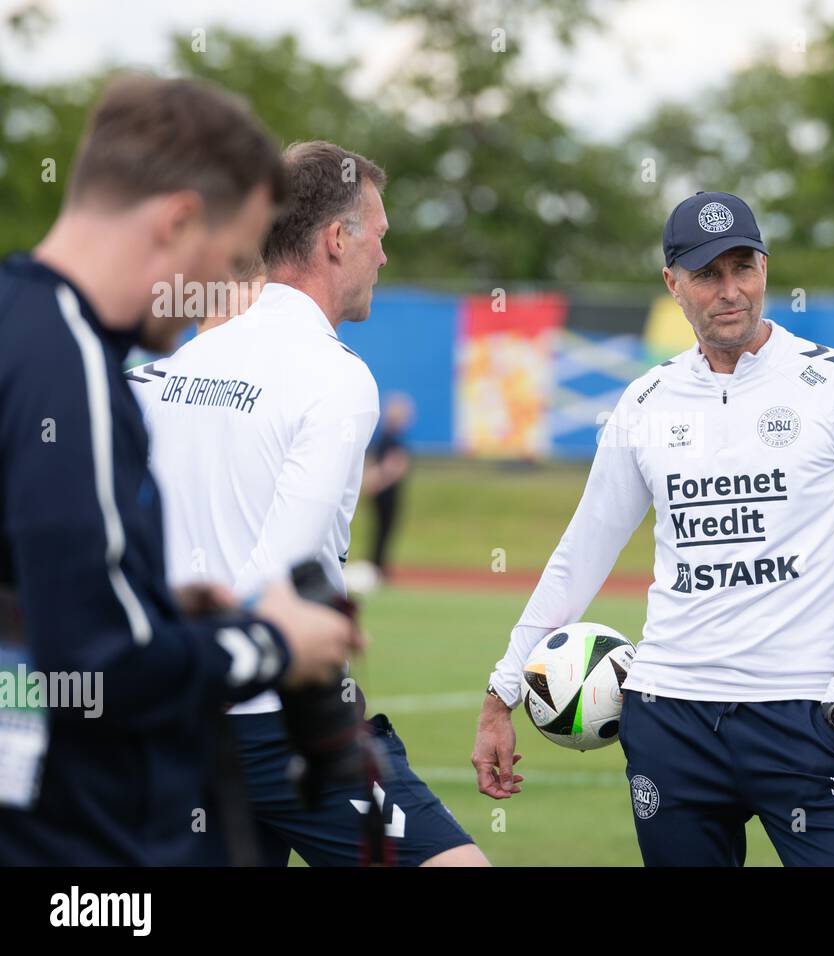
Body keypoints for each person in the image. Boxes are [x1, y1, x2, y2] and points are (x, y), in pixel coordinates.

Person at [474, 191, 834, 866]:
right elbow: (581, 554)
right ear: (672, 284)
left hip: (803, 718)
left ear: (765, 267)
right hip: (670, 719)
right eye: (708, 274)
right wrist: (503, 691)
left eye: (745, 267)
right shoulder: (645, 402)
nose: (731, 290)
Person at [0, 75, 360, 866]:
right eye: (233, 259)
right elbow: (95, 665)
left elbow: (31, 605)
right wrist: (266, 642)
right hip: (69, 845)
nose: (228, 294)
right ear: (178, 220)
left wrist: (157, 604)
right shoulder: (76, 368)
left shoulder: (16, 321)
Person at [131, 141, 486, 867]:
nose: (382, 258)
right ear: (336, 239)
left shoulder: (165, 371)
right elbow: (280, 577)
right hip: (280, 718)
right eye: (379, 237)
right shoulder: (336, 377)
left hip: (178, 716)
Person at [363, 393, 414, 580]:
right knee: (383, 530)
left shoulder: (383, 437)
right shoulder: (390, 439)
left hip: (382, 492)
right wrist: (377, 482)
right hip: (385, 494)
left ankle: (378, 565)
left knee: (381, 531)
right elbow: (393, 466)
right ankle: (377, 567)